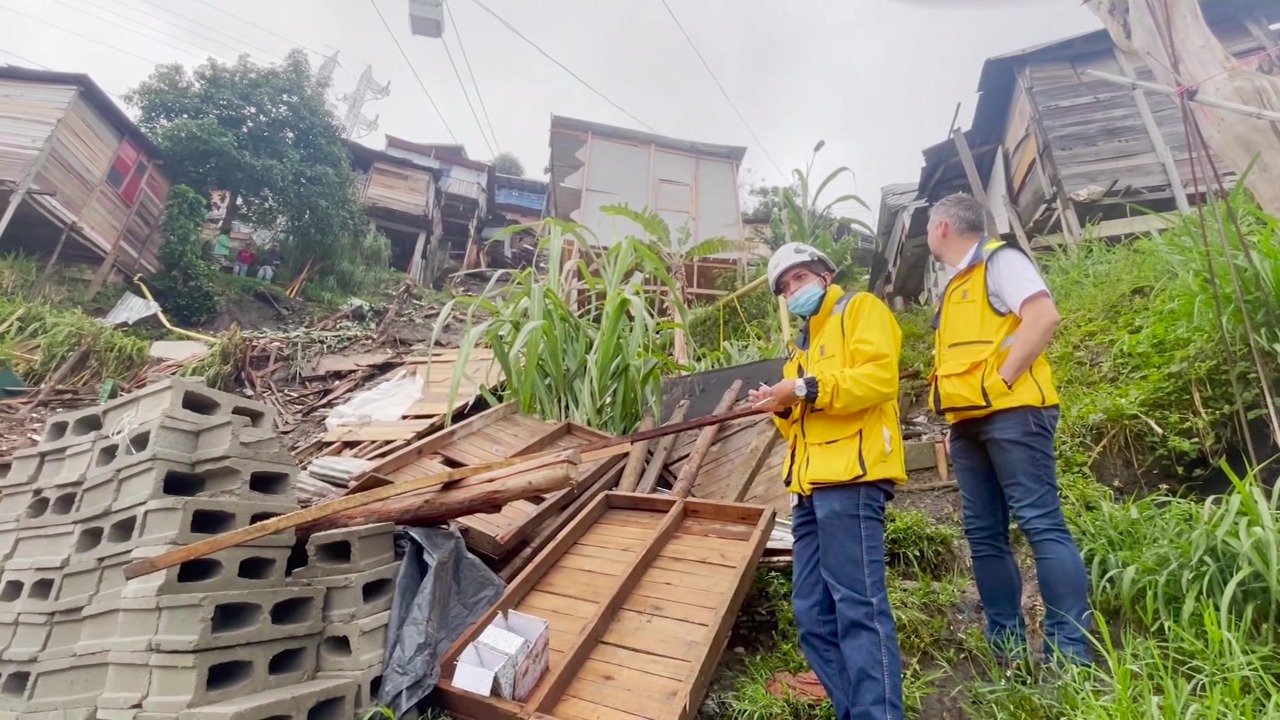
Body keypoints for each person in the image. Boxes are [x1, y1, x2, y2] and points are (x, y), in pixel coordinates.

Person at [925, 193, 1091, 668]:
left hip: (1014, 413)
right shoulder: (958, 284)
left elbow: (1044, 317)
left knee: (1041, 524)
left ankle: (1069, 655)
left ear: (941, 228)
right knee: (983, 534)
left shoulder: (1000, 261)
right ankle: (1007, 649)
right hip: (969, 422)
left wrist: (1000, 382)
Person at [747, 242, 906, 720]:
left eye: (799, 278)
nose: (793, 289)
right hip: (809, 490)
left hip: (853, 480)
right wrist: (780, 406)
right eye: (785, 286)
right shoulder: (799, 352)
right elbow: (798, 425)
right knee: (812, 615)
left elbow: (879, 379)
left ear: (823, 274)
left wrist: (801, 389)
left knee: (859, 607)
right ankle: (854, 712)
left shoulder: (860, 309)